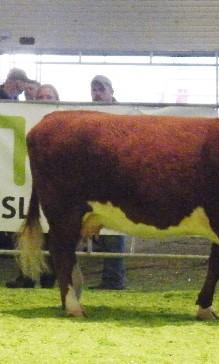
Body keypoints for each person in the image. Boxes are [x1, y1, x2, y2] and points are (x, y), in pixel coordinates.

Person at [5, 84, 60, 289]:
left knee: (53, 233)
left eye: (49, 96)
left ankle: (50, 276)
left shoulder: (62, 123)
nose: (44, 99)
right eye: (41, 96)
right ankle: (26, 274)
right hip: (26, 180)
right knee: (27, 227)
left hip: (53, 185)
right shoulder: (27, 117)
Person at [0, 68, 33, 256]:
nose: (24, 87)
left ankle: (8, 242)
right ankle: (1, 243)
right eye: (23, 83)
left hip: (12, 157)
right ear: (16, 82)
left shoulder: (16, 103)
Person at [89, 75, 127, 290]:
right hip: (98, 181)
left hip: (118, 179)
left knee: (115, 230)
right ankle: (110, 277)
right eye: (94, 89)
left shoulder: (124, 113)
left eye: (101, 89)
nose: (97, 93)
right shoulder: (89, 114)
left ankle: (114, 279)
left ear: (112, 91)